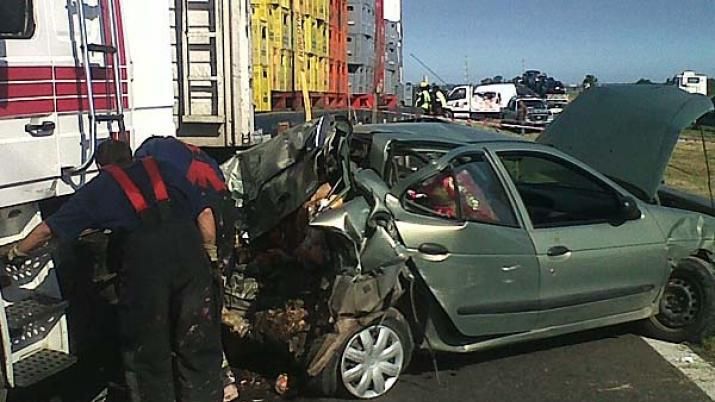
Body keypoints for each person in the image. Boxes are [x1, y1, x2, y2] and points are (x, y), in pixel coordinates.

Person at [4, 140, 223, 402]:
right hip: (191, 260)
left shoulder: (100, 187)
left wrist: (16, 251)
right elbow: (205, 214)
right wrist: (210, 256)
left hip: (147, 272)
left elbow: (47, 230)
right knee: (197, 341)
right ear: (131, 155)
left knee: (148, 352)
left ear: (101, 165)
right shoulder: (166, 168)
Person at [134, 136, 239, 401]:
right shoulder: (193, 154)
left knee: (199, 310)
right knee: (212, 300)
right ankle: (222, 377)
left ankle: (219, 379)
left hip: (207, 219)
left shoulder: (154, 162)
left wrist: (209, 254)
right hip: (224, 212)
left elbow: (203, 213)